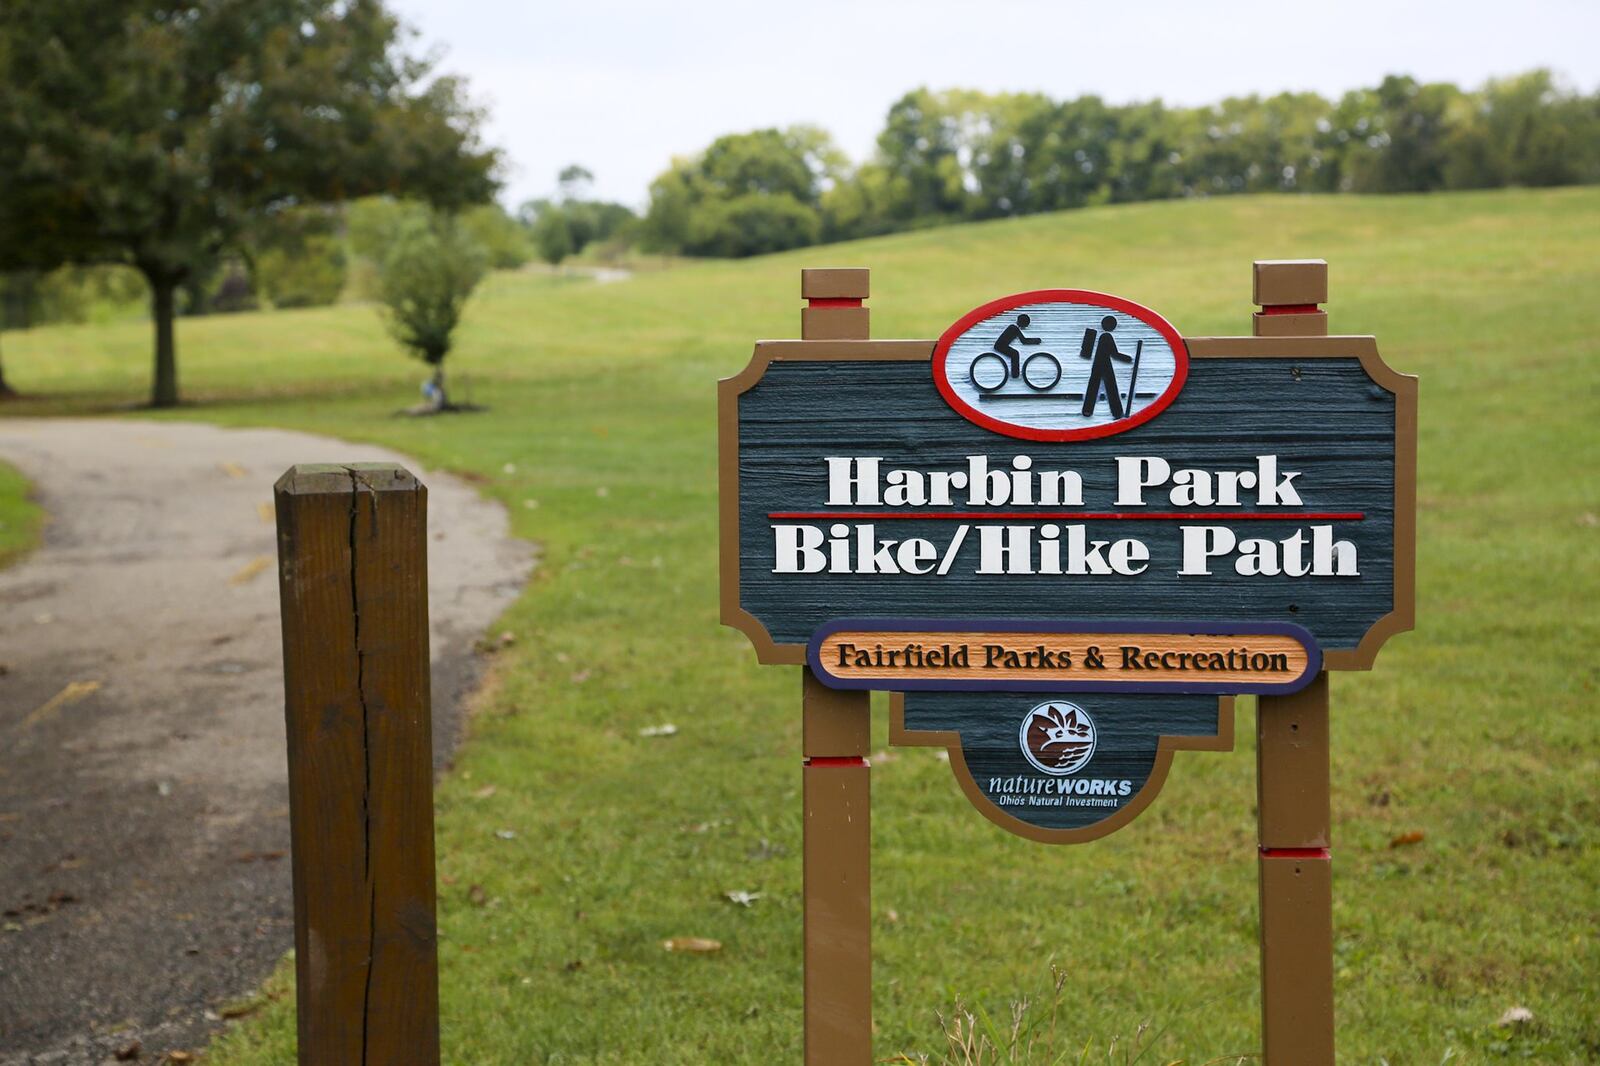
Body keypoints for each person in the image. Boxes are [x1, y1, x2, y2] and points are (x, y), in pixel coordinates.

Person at [1079, 315, 1134, 418]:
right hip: (1103, 365)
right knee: (1110, 387)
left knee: (1094, 386)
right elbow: (1115, 354)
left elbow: (1085, 352)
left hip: (1099, 364)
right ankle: (1116, 412)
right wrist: (1128, 358)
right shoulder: (1106, 337)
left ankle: (1088, 410)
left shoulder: (1096, 335)